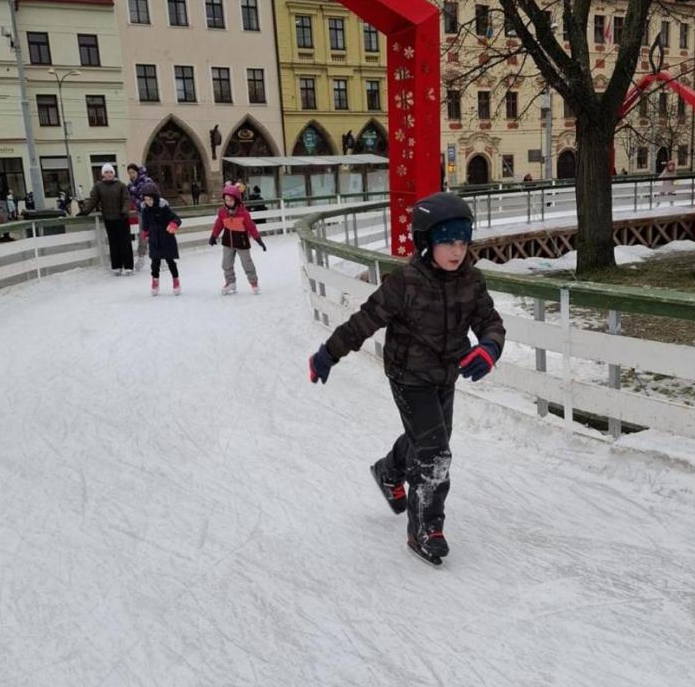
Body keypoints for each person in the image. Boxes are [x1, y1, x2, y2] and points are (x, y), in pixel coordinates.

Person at [307, 191, 505, 567]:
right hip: (408, 374)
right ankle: (424, 528)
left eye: (463, 241)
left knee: (428, 438)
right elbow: (363, 321)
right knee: (435, 453)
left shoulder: (471, 282)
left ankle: (388, 470)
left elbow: (490, 323)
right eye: (447, 241)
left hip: (445, 373)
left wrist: (490, 348)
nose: (457, 250)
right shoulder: (405, 283)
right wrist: (327, 354)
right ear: (426, 242)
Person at [209, 183, 266, 295]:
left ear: (237, 200)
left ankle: (253, 282)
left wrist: (259, 240)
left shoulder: (243, 214)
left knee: (247, 263)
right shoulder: (222, 213)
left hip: (241, 241)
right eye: (226, 200)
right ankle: (230, 283)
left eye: (230, 200)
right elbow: (218, 225)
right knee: (226, 264)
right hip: (227, 241)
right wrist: (213, 236)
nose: (228, 202)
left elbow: (251, 227)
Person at [80, 163, 134, 274]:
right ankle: (117, 266)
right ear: (103, 174)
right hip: (109, 218)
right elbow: (93, 200)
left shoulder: (121, 185)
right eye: (106, 172)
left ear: (113, 173)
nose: (108, 174)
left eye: (110, 172)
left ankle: (128, 266)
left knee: (125, 242)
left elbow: (126, 199)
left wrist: (125, 210)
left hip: (122, 218)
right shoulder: (98, 186)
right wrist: (85, 211)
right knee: (113, 243)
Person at [138, 181, 182, 295]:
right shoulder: (145, 210)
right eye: (146, 200)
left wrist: (173, 224)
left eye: (150, 200)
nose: (148, 202)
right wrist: (145, 231)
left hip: (166, 239)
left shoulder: (163, 208)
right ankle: (155, 281)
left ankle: (176, 280)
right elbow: (145, 224)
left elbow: (176, 218)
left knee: (170, 261)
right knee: (155, 263)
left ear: (155, 198)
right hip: (154, 240)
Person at [126, 163, 151, 269]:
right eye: (129, 173)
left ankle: (162, 257)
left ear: (138, 172)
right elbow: (130, 198)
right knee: (142, 234)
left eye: (133, 172)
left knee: (154, 233)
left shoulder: (146, 180)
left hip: (150, 211)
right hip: (140, 212)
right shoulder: (130, 185)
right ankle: (141, 257)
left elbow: (153, 194)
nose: (131, 175)